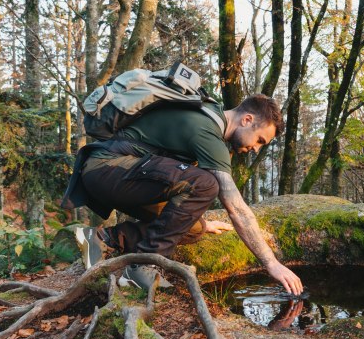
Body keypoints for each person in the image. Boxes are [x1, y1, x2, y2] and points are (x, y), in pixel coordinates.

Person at [61, 94, 303, 295]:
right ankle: (142, 269)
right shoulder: (206, 130)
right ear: (247, 119)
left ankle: (103, 238)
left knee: (193, 228)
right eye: (260, 140)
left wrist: (200, 221)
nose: (255, 148)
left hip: (123, 175)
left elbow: (173, 183)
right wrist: (271, 263)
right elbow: (236, 208)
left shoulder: (209, 117)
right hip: (107, 168)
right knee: (207, 184)